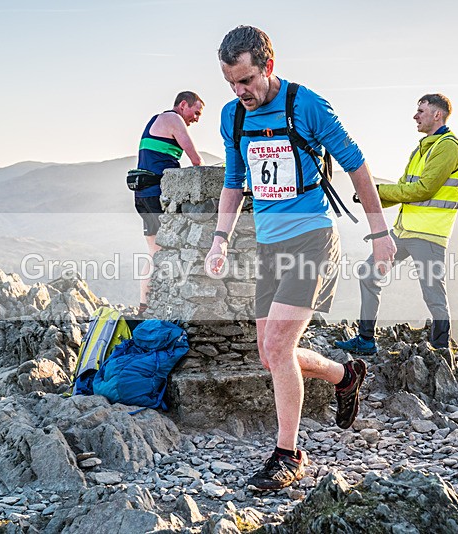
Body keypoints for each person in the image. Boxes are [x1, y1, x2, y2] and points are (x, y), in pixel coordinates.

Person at [204, 25, 397, 491]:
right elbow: (235, 180)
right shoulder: (232, 116)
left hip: (311, 240)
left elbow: (356, 164)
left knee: (277, 349)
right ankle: (344, 375)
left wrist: (379, 233)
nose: (240, 91)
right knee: (270, 355)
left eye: (246, 80)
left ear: (268, 65)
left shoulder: (306, 104)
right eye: (231, 82)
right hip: (269, 245)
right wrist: (220, 239)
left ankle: (288, 456)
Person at [335, 94, 458, 355]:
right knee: (368, 273)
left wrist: (377, 191)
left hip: (429, 235)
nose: (415, 116)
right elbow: (406, 189)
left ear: (437, 115)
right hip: (404, 232)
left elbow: (423, 190)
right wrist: (372, 198)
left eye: (421, 111)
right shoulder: (422, 149)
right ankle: (366, 340)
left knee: (433, 296)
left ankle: (440, 350)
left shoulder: (448, 147)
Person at [133, 91, 204, 313]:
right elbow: (195, 159)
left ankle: (144, 306)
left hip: (142, 194)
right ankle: (162, 304)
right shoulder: (173, 119)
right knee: (165, 250)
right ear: (183, 105)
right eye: (196, 112)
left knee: (154, 251)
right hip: (156, 194)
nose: (197, 118)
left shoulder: (157, 119)